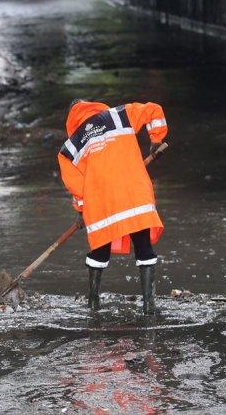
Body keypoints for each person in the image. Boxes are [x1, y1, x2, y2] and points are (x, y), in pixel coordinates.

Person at [57, 100, 168, 314]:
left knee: (99, 250)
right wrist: (156, 139)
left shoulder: (71, 146)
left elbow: (76, 185)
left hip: (102, 203)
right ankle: (149, 306)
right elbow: (154, 110)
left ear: (72, 118)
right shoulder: (120, 115)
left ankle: (93, 304)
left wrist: (82, 210)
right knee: (143, 247)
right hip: (135, 196)